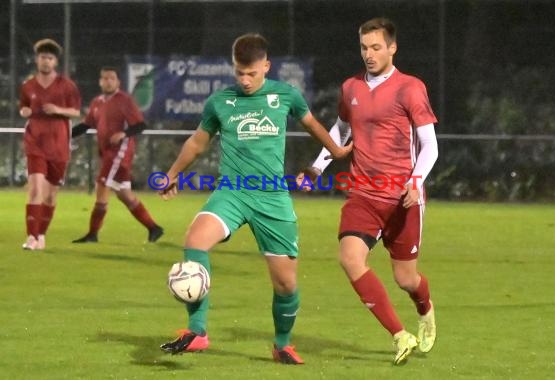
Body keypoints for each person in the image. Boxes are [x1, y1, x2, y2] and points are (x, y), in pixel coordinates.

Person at [158, 33, 352, 364]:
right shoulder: (220, 102)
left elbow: (311, 125)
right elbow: (197, 142)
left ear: (266, 66)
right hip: (232, 191)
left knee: (286, 285)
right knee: (194, 242)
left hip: (272, 197)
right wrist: (173, 172)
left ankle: (282, 344)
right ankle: (197, 331)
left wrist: (334, 151)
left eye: (252, 73)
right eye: (239, 73)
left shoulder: (285, 95)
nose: (245, 81)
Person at [297, 17, 439, 365]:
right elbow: (341, 130)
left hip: (402, 198)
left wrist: (415, 182)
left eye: (376, 47)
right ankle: (399, 334)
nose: (369, 54)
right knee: (349, 258)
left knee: (406, 279)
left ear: (392, 47)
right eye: (364, 47)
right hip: (363, 193)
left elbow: (430, 146)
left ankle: (425, 308)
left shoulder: (410, 88)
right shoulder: (351, 88)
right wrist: (318, 166)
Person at [71, 67, 164, 243]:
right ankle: (154, 228)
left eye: (111, 78)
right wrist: (65, 135)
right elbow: (86, 125)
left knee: (102, 188)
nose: (108, 81)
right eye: (105, 78)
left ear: (118, 82)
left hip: (118, 153)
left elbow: (140, 125)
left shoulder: (125, 100)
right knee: (124, 194)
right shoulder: (97, 102)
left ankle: (92, 234)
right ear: (100, 82)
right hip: (106, 152)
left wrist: (124, 134)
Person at [20, 39, 82, 251]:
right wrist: (25, 112)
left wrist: (58, 109)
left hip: (58, 145)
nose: (45, 61)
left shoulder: (67, 86)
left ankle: (41, 234)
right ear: (36, 60)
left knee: (50, 195)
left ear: (55, 62)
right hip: (35, 143)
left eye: (50, 58)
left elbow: (75, 111)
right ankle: (31, 237)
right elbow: (24, 108)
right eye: (42, 57)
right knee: (35, 188)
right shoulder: (28, 86)